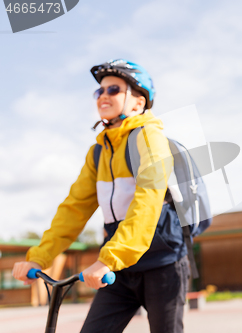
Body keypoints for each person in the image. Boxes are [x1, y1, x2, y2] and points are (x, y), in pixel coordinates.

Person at [12, 59, 190, 333]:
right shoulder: (98, 152)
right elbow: (74, 209)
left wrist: (107, 259)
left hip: (162, 262)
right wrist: (39, 257)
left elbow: (148, 201)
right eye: (100, 92)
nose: (104, 96)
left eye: (114, 89)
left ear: (138, 103)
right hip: (116, 269)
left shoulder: (149, 138)